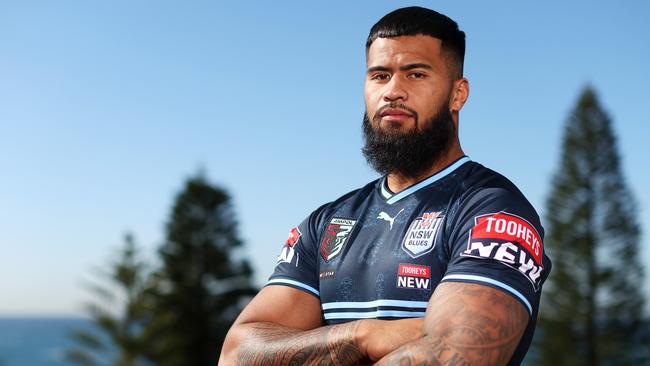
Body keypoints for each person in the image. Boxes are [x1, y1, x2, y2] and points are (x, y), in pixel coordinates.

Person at [220, 6, 551, 365]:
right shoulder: (328, 222)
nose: (393, 91)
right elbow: (237, 353)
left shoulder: (491, 209)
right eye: (379, 76)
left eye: (416, 74)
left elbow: (458, 356)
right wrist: (365, 335)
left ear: (458, 94)